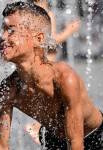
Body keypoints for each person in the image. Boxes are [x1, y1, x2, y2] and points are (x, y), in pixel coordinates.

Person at [0, 2, 103, 150]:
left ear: (39, 39)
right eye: (2, 30)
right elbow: (0, 145)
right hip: (52, 138)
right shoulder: (8, 90)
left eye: (10, 30)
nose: (2, 36)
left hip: (95, 137)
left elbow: (76, 144)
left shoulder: (64, 79)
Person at [25, 0, 81, 144]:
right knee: (58, 98)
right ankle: (36, 127)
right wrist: (70, 30)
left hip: (42, 64)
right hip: (46, 65)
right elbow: (50, 41)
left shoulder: (32, 12)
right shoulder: (44, 13)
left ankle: (41, 127)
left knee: (52, 99)